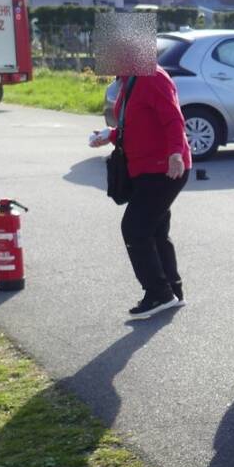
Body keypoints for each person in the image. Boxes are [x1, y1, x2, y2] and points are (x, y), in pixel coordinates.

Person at [90, 64, 191, 318]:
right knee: (155, 230)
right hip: (146, 169)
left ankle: (159, 294)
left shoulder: (152, 77)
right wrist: (110, 135)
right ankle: (173, 291)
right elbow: (138, 124)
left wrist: (176, 154)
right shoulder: (128, 80)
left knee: (134, 229)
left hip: (164, 168)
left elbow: (173, 118)